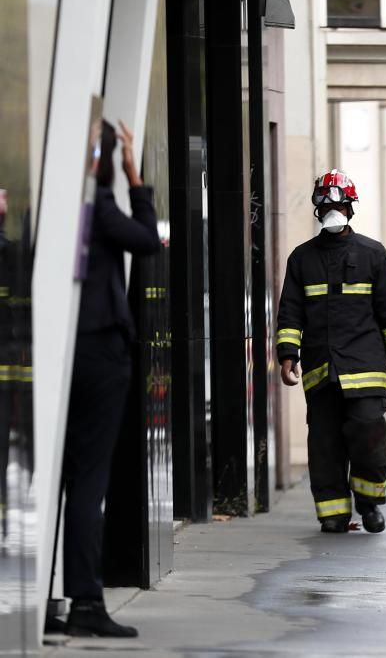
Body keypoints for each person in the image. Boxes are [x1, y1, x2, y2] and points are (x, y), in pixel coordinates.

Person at [61, 120, 161, 636]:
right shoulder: (94, 206)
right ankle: (84, 603)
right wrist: (133, 176)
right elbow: (147, 241)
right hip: (98, 351)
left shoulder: (53, 203)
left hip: (65, 350)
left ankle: (64, 594)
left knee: (67, 478)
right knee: (88, 479)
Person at [276, 169, 386, 535]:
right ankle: (332, 512)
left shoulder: (373, 255)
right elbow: (290, 312)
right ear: (317, 209)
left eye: (338, 203)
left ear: (350, 207)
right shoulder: (301, 259)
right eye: (325, 203)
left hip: (364, 367)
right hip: (321, 369)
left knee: (368, 435)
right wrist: (288, 353)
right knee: (324, 443)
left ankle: (369, 504)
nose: (332, 209)